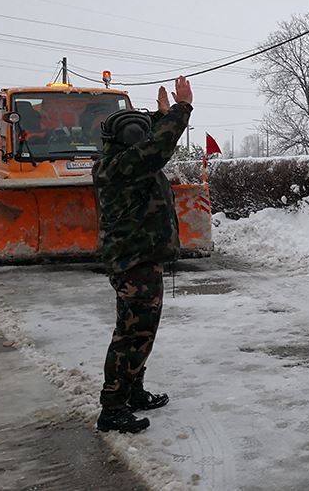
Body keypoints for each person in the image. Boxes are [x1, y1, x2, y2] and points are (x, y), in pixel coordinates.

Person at [92, 76, 193, 434]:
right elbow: (157, 146)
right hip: (133, 262)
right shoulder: (122, 167)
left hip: (141, 259)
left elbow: (150, 139)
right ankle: (113, 407)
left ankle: (133, 389)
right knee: (131, 335)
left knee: (142, 331)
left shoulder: (121, 159)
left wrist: (162, 115)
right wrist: (181, 111)